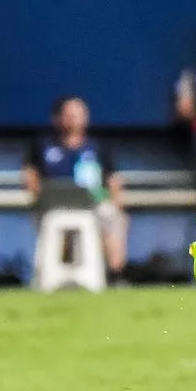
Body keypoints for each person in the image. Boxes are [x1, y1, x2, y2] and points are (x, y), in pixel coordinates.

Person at [23, 96, 129, 279]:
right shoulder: (43, 146)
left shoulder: (97, 148)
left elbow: (114, 181)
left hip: (93, 205)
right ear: (57, 118)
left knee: (113, 217)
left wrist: (115, 201)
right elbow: (30, 176)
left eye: (79, 114)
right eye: (69, 114)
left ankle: (115, 274)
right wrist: (37, 198)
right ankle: (51, 277)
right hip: (52, 207)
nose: (74, 118)